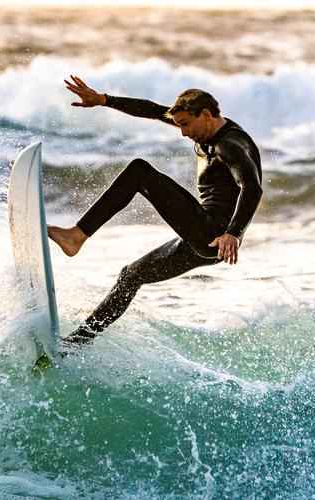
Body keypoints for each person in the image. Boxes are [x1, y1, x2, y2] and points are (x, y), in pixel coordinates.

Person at [48, 75, 263, 346]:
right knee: (131, 275)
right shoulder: (204, 129)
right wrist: (103, 100)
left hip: (215, 234)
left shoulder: (229, 145)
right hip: (203, 241)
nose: (183, 132)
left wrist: (233, 233)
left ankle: (77, 236)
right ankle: (75, 344)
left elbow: (252, 187)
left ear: (206, 114)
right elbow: (150, 109)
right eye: (179, 124)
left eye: (186, 124)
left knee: (140, 172)